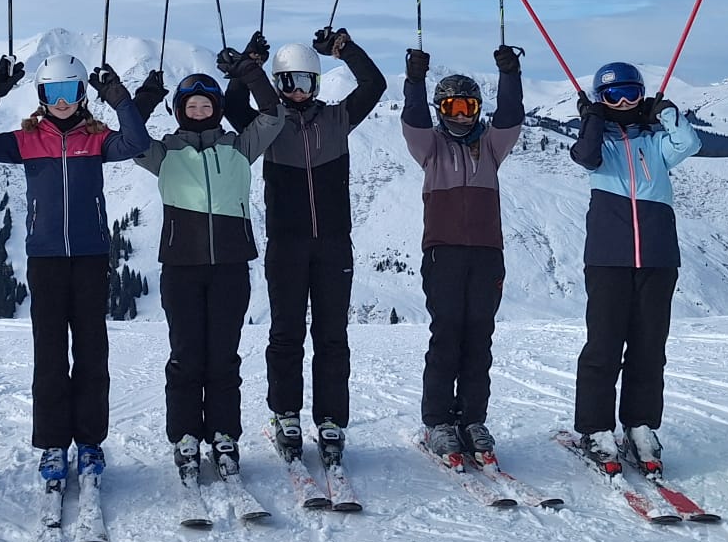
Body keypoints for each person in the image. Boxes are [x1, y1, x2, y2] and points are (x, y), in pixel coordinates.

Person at [0, 52, 149, 488]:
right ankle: (51, 444)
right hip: (44, 259)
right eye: (52, 92)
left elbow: (137, 142)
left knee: (91, 353)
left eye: (69, 91)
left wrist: (117, 96)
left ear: (82, 94)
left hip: (90, 256)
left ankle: (90, 443)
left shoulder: (96, 139)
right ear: (41, 96)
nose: (61, 101)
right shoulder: (27, 140)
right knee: (49, 356)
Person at [224, 25, 387, 473]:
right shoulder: (267, 123)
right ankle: (286, 414)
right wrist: (247, 67)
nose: (296, 91)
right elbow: (232, 105)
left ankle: (331, 420)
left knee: (333, 336)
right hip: (286, 243)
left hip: (334, 244)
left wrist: (343, 49)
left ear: (317, 83)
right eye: (287, 83)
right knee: (286, 334)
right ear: (277, 85)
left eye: (305, 82)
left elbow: (375, 85)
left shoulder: (338, 118)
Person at [129, 48, 285, 490]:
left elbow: (272, 118)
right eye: (191, 106)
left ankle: (223, 436)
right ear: (180, 111)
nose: (199, 112)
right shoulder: (163, 153)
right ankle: (184, 437)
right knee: (185, 356)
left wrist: (250, 74)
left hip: (231, 267)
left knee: (223, 356)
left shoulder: (238, 148)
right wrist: (144, 97)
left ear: (217, 110)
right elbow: (129, 137)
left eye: (206, 105)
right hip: (180, 268)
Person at [567, 61, 701, 472]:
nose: (623, 102)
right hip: (608, 258)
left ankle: (640, 424)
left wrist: (668, 114)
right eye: (612, 96)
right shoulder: (601, 147)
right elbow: (584, 156)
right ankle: (595, 428)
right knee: (603, 346)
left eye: (631, 94)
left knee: (649, 347)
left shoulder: (656, 144)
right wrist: (591, 119)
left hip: (658, 258)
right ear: (601, 100)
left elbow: (689, 144)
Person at [402, 43, 524, 464]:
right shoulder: (431, 149)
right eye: (452, 107)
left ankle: (472, 419)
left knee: (479, 337)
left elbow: (510, 118)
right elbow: (412, 121)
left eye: (467, 106)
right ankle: (438, 421)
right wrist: (415, 81)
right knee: (447, 334)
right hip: (443, 254)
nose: (460, 114)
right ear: (441, 110)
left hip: (487, 254)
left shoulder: (490, 147)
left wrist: (511, 74)